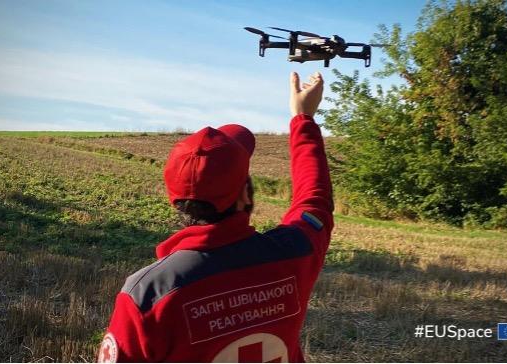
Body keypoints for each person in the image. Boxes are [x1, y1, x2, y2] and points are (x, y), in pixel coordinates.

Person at [98, 72, 333, 363]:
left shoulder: (148, 295)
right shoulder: (294, 254)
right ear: (245, 196)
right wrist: (303, 118)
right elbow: (315, 199)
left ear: (177, 203)